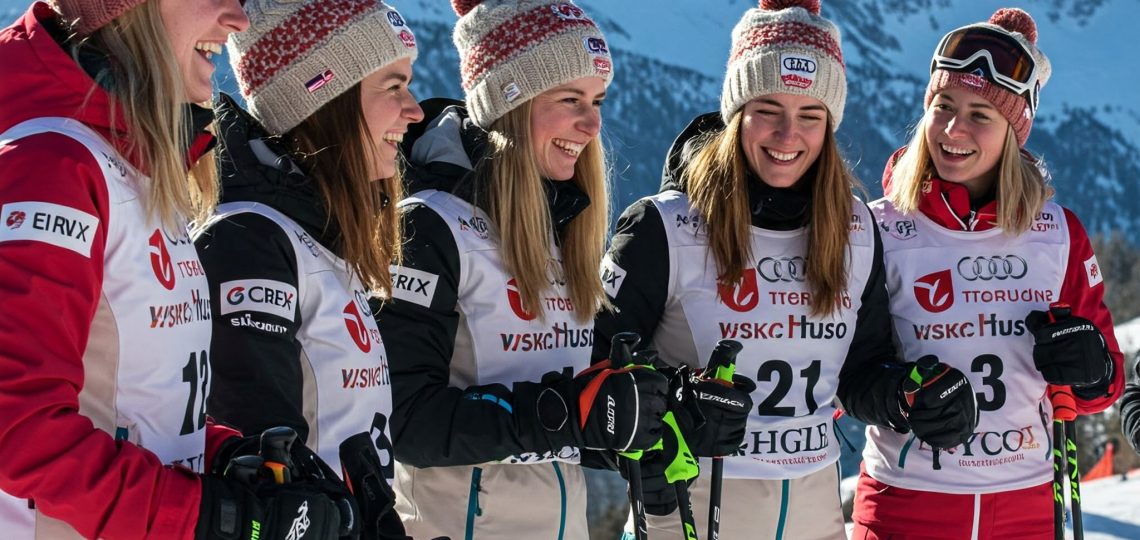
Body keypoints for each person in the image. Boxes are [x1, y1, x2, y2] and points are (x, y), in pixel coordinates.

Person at [593, 1, 977, 538]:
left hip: (814, 518)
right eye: (768, 109)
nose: (787, 136)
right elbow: (594, 378)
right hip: (687, 517)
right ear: (737, 112)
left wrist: (909, 396)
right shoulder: (665, 228)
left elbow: (860, 370)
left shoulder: (853, 231)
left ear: (830, 124)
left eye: (810, 115)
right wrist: (673, 415)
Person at [0, 2, 355, 539]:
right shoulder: (52, 167)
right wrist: (216, 517)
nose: (238, 19)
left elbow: (131, 404)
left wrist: (227, 456)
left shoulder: (128, 168)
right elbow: (18, 430)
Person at [376, 1, 668, 538]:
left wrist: (656, 418)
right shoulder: (430, 227)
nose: (593, 123)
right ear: (512, 105)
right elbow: (403, 421)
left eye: (598, 100)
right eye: (570, 99)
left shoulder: (563, 228)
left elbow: (571, 423)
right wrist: (565, 411)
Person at [854, 8, 1124, 538]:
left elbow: (1103, 384)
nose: (954, 130)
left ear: (1013, 131)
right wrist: (900, 393)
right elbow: (846, 375)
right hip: (906, 505)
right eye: (943, 106)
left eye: (981, 114)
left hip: (1026, 506)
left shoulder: (1057, 232)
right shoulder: (878, 229)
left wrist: (1091, 367)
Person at [193, 0, 423, 537]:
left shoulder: (320, 240)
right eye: (392, 87)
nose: (414, 109)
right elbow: (269, 477)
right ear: (325, 99)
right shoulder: (249, 243)